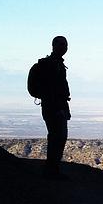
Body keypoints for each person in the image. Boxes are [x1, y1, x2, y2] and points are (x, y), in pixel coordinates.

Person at [40, 35, 71, 179]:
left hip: (56, 106)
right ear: (54, 46)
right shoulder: (52, 65)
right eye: (61, 44)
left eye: (65, 45)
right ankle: (51, 170)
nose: (64, 47)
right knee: (57, 137)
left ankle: (52, 169)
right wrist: (59, 108)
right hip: (53, 107)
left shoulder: (58, 64)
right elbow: (53, 90)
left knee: (57, 137)